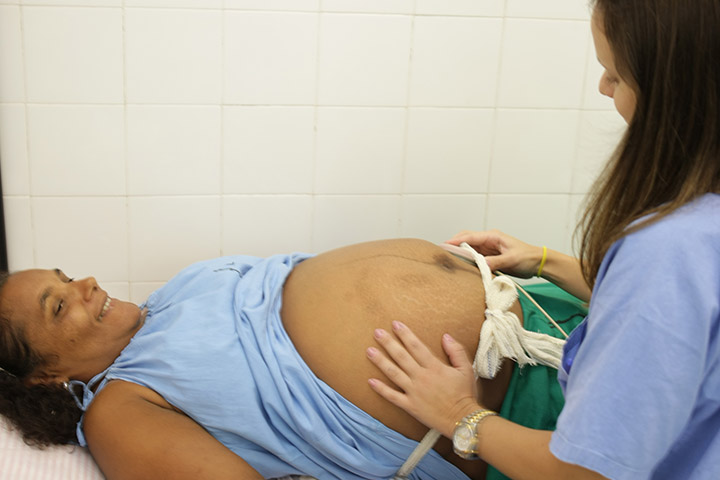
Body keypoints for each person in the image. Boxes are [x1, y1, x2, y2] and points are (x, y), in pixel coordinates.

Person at [366, 1, 720, 479]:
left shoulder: (667, 249)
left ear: (674, 92)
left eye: (615, 75)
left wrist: (458, 415)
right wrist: (545, 261)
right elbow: (688, 312)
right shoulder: (693, 236)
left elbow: (584, 473)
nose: (602, 87)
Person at [0, 238, 585, 480]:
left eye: (67, 277)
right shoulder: (119, 409)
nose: (87, 284)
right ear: (47, 375)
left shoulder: (173, 296)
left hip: (553, 309)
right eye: (59, 306)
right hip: (516, 411)